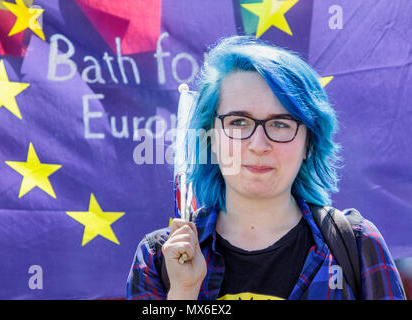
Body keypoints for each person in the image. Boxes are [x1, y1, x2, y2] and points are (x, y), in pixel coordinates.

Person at [126, 35, 406, 300]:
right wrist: (184, 291)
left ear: (309, 143)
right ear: (210, 138)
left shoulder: (356, 245)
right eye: (238, 122)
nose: (259, 145)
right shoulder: (158, 257)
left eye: (280, 123)